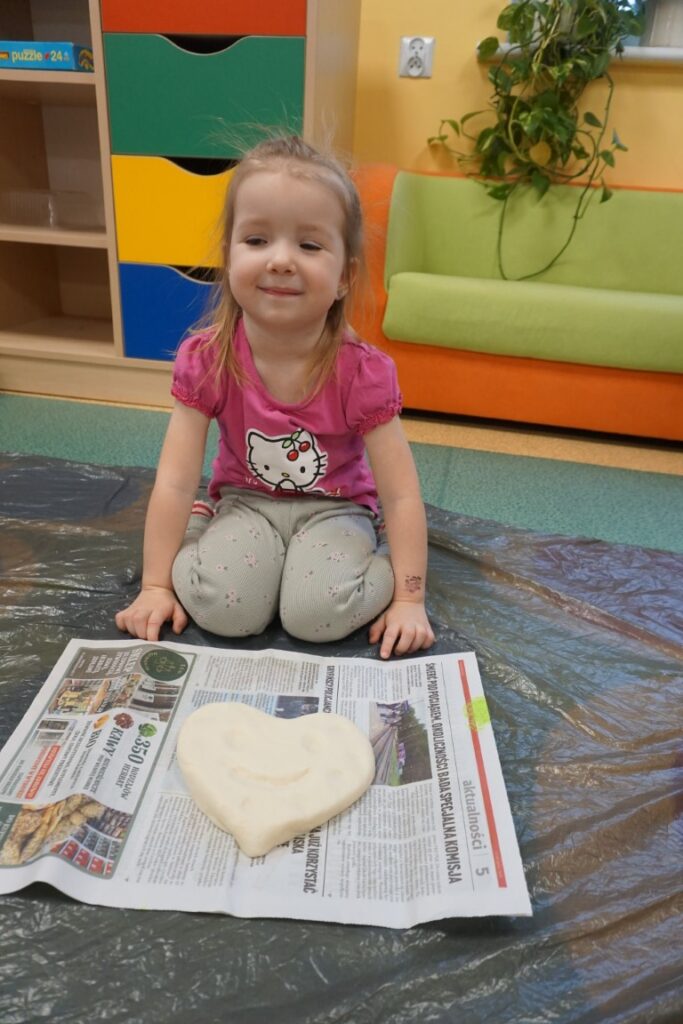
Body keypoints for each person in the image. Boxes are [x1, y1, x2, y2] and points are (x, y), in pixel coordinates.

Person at [115, 136, 435, 659]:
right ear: (228, 255)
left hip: (336, 511)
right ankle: (208, 523)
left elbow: (401, 495)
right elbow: (174, 479)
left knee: (318, 617)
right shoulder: (208, 357)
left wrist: (409, 599)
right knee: (225, 610)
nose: (282, 260)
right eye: (258, 240)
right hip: (246, 505)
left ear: (343, 277)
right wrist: (155, 586)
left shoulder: (364, 371)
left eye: (309, 246)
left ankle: (360, 549)